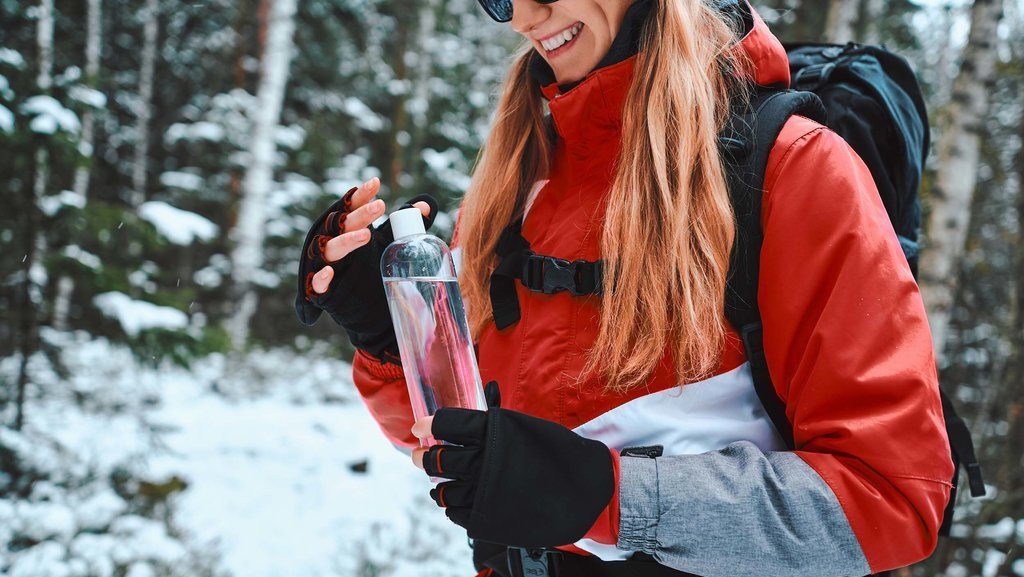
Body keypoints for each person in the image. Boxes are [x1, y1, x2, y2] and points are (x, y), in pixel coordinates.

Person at [296, 0, 954, 575]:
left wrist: (607, 495)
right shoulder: (516, 180)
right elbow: (461, 446)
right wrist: (392, 337)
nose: (524, 17)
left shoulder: (793, 170)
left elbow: (892, 500)